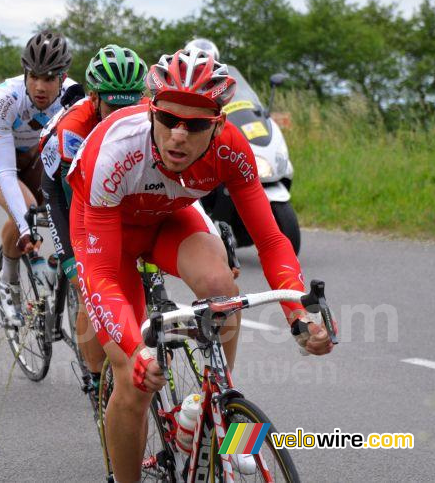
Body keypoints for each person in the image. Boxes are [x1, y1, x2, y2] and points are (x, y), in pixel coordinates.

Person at [67, 48, 334, 482]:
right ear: (151, 111)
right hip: (106, 233)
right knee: (132, 381)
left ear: (219, 126)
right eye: (168, 120)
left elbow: (270, 240)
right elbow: (98, 273)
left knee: (221, 286)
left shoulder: (231, 149)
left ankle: (212, 408)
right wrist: (135, 351)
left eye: (195, 126)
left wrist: (298, 314)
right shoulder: (115, 148)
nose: (178, 136)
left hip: (168, 217)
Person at [39, 43, 148, 389]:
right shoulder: (75, 127)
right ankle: (96, 378)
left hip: (112, 177)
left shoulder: (150, 113)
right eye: (113, 107)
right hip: (63, 189)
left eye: (129, 106)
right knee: (88, 284)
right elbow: (81, 205)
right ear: (93, 97)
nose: (121, 116)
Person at [0, 30, 75, 326]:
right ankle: (9, 281)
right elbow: (5, 172)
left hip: (33, 153)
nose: (40, 87)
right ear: (25, 74)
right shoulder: (3, 99)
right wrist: (26, 227)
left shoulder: (73, 98)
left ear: (63, 78)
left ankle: (52, 268)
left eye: (49, 78)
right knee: (26, 212)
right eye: (34, 76)